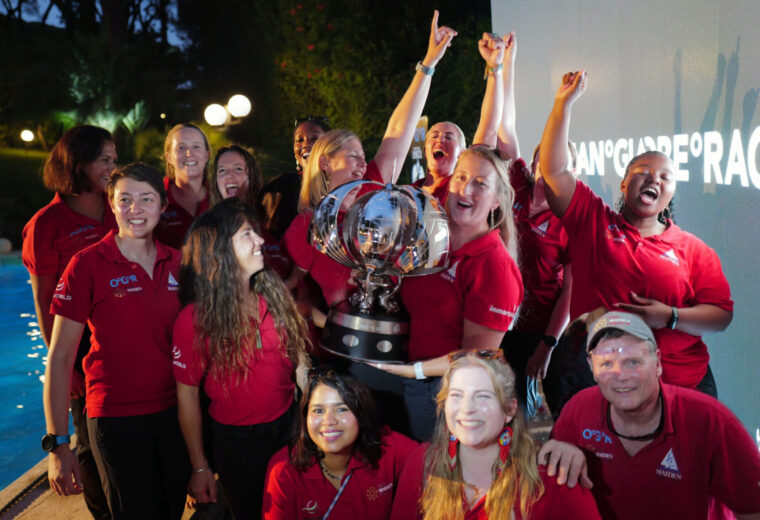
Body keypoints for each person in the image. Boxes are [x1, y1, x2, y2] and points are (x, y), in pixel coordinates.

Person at [537, 70, 733, 403]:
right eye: (642, 172)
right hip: (608, 387)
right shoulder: (593, 222)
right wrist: (563, 103)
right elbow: (554, 171)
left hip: (683, 387)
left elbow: (720, 315)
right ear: (625, 184)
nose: (653, 179)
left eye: (665, 177)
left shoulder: (694, 250)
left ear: (671, 194)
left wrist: (669, 317)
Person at [283, 9, 457, 311]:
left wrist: (428, 64)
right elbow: (293, 295)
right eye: (352, 156)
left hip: (401, 339)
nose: (363, 165)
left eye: (364, 157)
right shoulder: (306, 227)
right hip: (344, 351)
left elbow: (399, 130)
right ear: (325, 163)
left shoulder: (372, 191)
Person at [44, 163, 189, 518]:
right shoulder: (87, 265)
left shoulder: (180, 264)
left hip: (176, 413)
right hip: (116, 417)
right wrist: (58, 445)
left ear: (162, 206)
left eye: (146, 199)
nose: (135, 210)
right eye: (125, 199)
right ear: (111, 204)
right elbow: (60, 358)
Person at [546, 310, 760, 519]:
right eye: (606, 363)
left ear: (657, 363)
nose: (620, 375)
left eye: (633, 362)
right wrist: (559, 451)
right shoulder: (577, 411)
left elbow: (754, 508)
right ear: (592, 368)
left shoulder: (711, 421)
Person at [172, 197, 310, 520]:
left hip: (289, 429)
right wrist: (200, 466)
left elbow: (296, 359)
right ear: (220, 251)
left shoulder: (272, 294)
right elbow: (187, 396)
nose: (261, 240)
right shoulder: (194, 320)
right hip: (237, 444)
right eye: (247, 234)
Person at [376, 145, 524, 441]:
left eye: (480, 184)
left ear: (496, 201)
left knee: (437, 480)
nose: (465, 189)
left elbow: (476, 357)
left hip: (445, 393)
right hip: (408, 378)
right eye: (460, 177)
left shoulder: (494, 265)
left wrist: (414, 372)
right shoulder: (429, 242)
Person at [23, 124, 116, 520]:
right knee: (91, 444)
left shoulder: (120, 205)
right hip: (79, 343)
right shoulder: (47, 224)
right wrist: (65, 365)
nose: (114, 167)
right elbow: (45, 303)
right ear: (79, 164)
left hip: (124, 334)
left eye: (115, 159)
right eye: (104, 161)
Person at [390, 349, 601, 519]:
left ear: (509, 410)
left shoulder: (551, 476)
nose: (467, 409)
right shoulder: (424, 462)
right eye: (456, 395)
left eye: (483, 396)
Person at [491, 33, 574, 410]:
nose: (547, 163)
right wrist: (507, 62)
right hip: (499, 320)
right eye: (543, 155)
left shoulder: (569, 217)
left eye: (559, 160)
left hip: (537, 331)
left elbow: (569, 291)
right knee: (499, 411)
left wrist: (548, 344)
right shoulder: (519, 188)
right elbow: (505, 128)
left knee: (527, 419)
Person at [262, 367, 418, 519]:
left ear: (362, 415)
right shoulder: (284, 471)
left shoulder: (387, 447)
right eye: (318, 410)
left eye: (342, 409)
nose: (329, 421)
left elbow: (433, 457)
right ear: (305, 417)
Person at [209, 144, 291, 278]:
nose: (229, 175)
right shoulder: (209, 228)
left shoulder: (272, 217)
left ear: (252, 176)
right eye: (222, 170)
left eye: (238, 169)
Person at [260, 116, 331, 241]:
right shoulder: (282, 187)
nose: (305, 145)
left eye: (314, 138)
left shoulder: (345, 186)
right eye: (299, 140)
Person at [155, 122, 211, 248]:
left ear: (207, 156)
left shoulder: (220, 197)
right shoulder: (153, 197)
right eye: (181, 148)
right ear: (169, 157)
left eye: (196, 147)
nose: (189, 153)